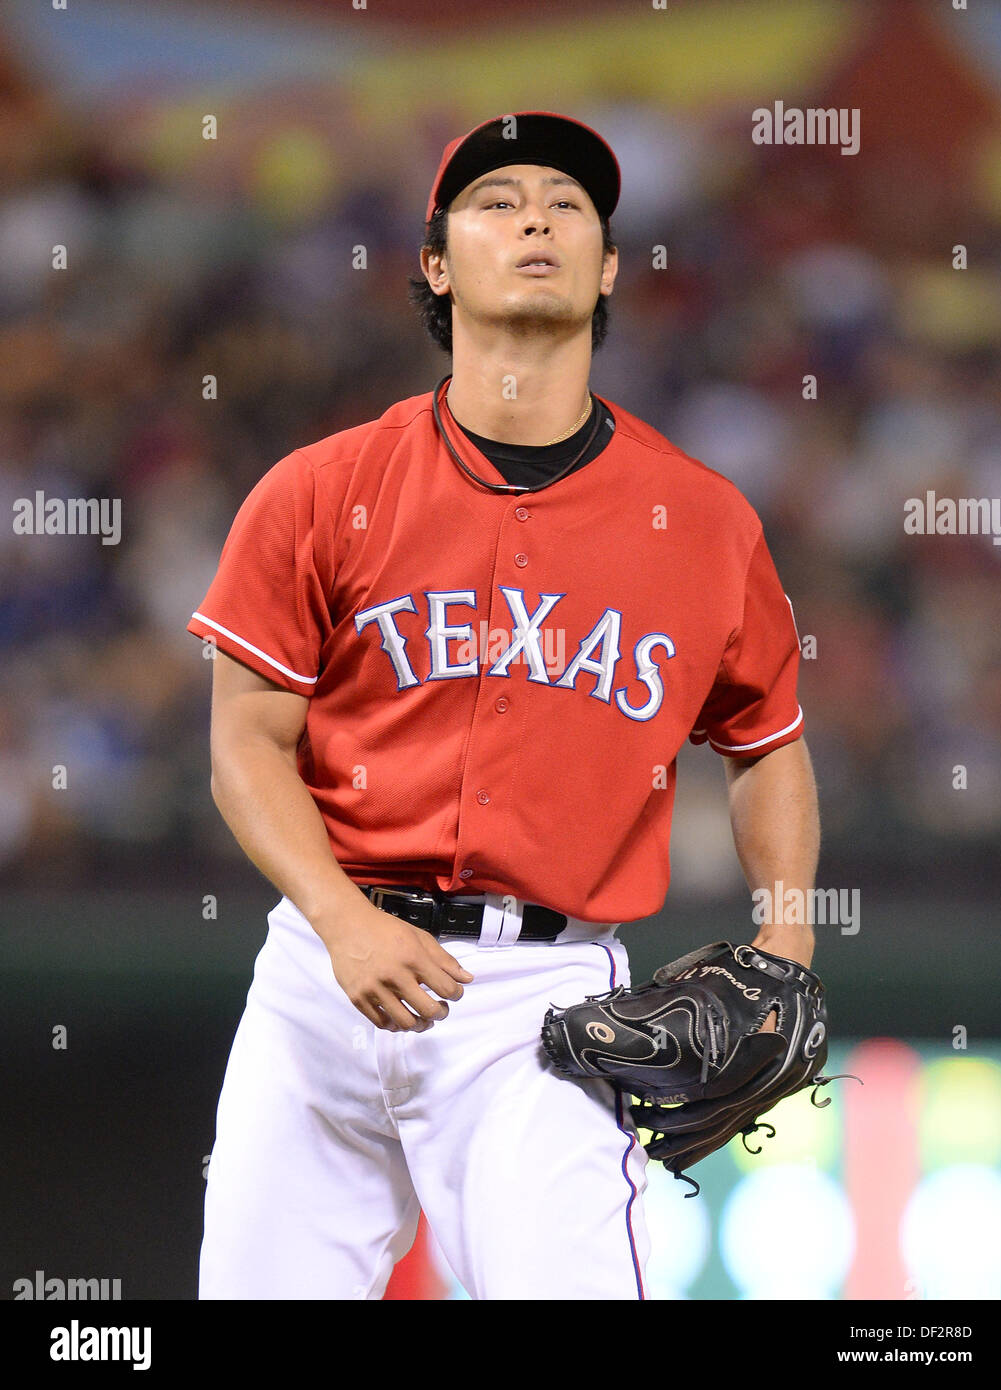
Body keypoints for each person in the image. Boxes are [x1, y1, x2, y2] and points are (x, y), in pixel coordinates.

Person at [187, 111, 819, 1301]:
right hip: (320, 975)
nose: (534, 215)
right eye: (495, 199)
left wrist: (785, 944)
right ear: (434, 264)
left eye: (567, 203)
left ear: (610, 265)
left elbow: (763, 746)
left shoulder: (700, 521)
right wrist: (338, 916)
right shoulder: (319, 490)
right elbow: (244, 745)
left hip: (542, 1000)